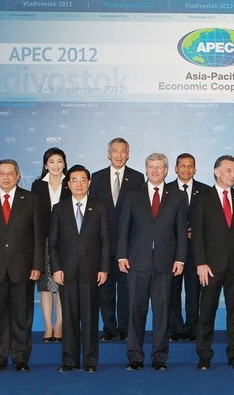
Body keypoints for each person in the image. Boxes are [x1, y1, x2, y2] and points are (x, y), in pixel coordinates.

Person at [118, 153, 187, 371]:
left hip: (166, 264)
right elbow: (123, 228)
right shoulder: (132, 194)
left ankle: (159, 358)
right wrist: (121, 255)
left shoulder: (177, 196)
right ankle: (135, 358)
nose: (155, 170)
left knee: (162, 314)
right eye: (151, 167)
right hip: (137, 263)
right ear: (146, 169)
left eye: (159, 167)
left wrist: (180, 258)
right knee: (135, 312)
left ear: (167, 170)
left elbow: (181, 232)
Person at [0, 159, 43, 372]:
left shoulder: (31, 199)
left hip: (23, 268)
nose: (5, 177)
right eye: (1, 173)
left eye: (10, 173)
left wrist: (37, 265)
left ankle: (21, 359)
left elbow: (38, 237)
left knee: (22, 317)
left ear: (18, 176)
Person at [192, 155, 234, 370]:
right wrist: (200, 262)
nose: (233, 175)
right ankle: (204, 355)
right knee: (206, 313)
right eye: (229, 170)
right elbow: (197, 234)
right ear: (216, 171)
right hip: (210, 267)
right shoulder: (203, 198)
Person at [49, 165, 109, 373]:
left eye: (83, 179)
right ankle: (69, 361)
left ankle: (90, 361)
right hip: (67, 273)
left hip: (92, 272)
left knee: (90, 318)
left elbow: (105, 242)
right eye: (74, 180)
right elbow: (53, 243)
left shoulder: (99, 208)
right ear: (68, 184)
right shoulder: (59, 209)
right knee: (69, 318)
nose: (79, 184)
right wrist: (56, 268)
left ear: (89, 183)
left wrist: (104, 268)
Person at [89, 138, 145, 341]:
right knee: (105, 289)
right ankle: (109, 328)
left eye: (123, 151)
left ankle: (125, 328)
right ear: (108, 154)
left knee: (126, 289)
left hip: (129, 245)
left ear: (128, 154)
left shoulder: (138, 178)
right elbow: (92, 212)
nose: (119, 155)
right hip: (102, 244)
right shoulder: (96, 178)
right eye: (115, 151)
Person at [166, 153, 211, 342]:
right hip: (171, 250)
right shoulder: (165, 190)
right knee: (172, 291)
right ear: (175, 168)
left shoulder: (206, 191)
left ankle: (193, 329)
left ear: (195, 169)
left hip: (195, 251)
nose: (186, 169)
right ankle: (175, 329)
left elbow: (210, 221)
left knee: (194, 292)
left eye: (190, 166)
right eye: (182, 165)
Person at [31, 147, 70, 342]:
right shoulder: (37, 185)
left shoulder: (71, 183)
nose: (56, 165)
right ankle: (48, 326)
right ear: (46, 164)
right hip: (44, 241)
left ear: (64, 163)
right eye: (51, 161)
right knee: (46, 287)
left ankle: (59, 326)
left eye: (59, 161)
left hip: (67, 242)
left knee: (62, 285)